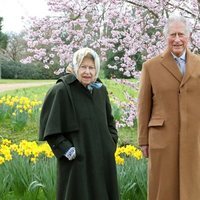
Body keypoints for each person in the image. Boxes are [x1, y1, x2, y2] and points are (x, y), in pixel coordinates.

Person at [39, 47, 119, 200]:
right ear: (76, 67)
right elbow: (50, 128)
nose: (87, 72)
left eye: (91, 67)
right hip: (77, 162)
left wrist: (111, 143)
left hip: (102, 159)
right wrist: (66, 149)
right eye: (83, 67)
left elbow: (110, 121)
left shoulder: (100, 90)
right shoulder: (62, 90)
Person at [137, 15, 200, 200]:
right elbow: (143, 105)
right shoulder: (151, 66)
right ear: (166, 37)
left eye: (181, 34)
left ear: (188, 37)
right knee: (163, 188)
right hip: (162, 138)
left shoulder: (199, 64)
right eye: (173, 34)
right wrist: (143, 140)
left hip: (194, 138)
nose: (177, 39)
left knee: (193, 186)